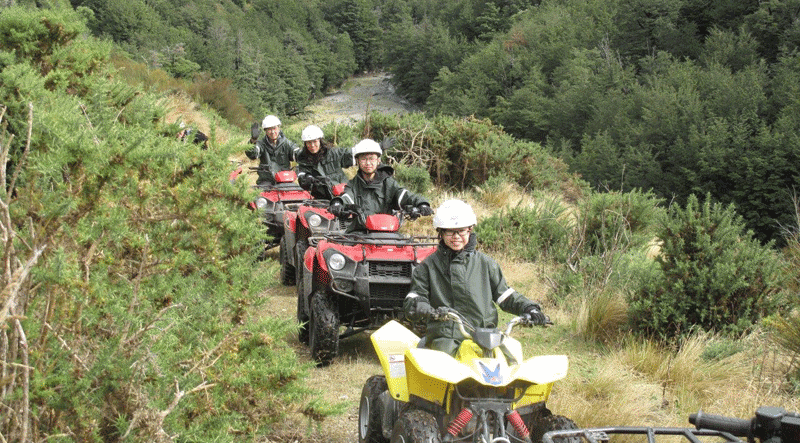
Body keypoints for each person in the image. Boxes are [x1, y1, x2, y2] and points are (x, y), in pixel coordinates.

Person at [403, 199, 548, 356]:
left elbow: (505, 295)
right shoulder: (427, 266)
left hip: (486, 335)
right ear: (441, 232)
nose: (456, 236)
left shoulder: (486, 263)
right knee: (443, 369)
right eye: (450, 231)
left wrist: (529, 308)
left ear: (470, 230)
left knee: (510, 363)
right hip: (446, 335)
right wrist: (419, 305)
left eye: (461, 231)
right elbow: (416, 295)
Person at [329, 138, 432, 223]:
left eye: (372, 158)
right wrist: (338, 203)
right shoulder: (353, 184)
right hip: (360, 232)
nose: (368, 163)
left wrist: (422, 203)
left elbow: (404, 195)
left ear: (378, 160)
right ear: (357, 161)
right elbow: (347, 197)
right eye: (364, 159)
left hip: (387, 231)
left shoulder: (388, 182)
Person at [295, 125, 354, 199]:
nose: (312, 145)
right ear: (305, 144)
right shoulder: (303, 159)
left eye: (315, 141)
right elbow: (302, 178)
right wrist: (309, 179)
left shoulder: (333, 153)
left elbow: (353, 155)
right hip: (321, 198)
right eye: (309, 142)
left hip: (342, 196)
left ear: (320, 140)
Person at [245, 114, 299, 185]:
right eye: (269, 129)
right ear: (265, 131)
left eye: (274, 128)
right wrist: (253, 141)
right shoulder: (261, 144)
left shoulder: (287, 144)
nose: (272, 132)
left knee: (295, 194)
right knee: (260, 195)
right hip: (266, 181)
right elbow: (252, 155)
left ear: (279, 128)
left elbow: (298, 154)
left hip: (286, 181)